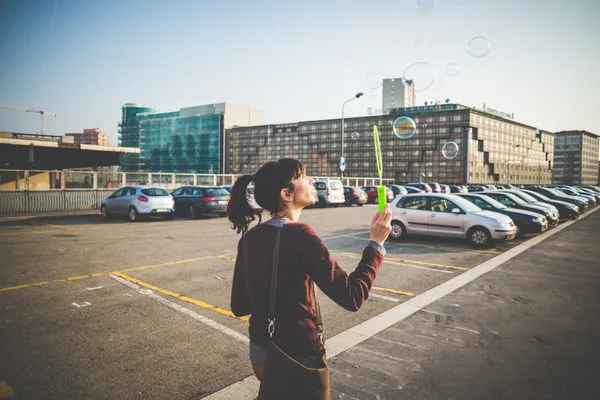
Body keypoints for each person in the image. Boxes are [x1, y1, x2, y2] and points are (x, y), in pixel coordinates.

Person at [227, 158, 392, 392]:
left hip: (261, 352)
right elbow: (352, 296)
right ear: (286, 193)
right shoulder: (301, 235)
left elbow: (239, 306)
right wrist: (375, 244)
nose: (312, 180)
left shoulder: (249, 239)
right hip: (297, 356)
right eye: (303, 176)